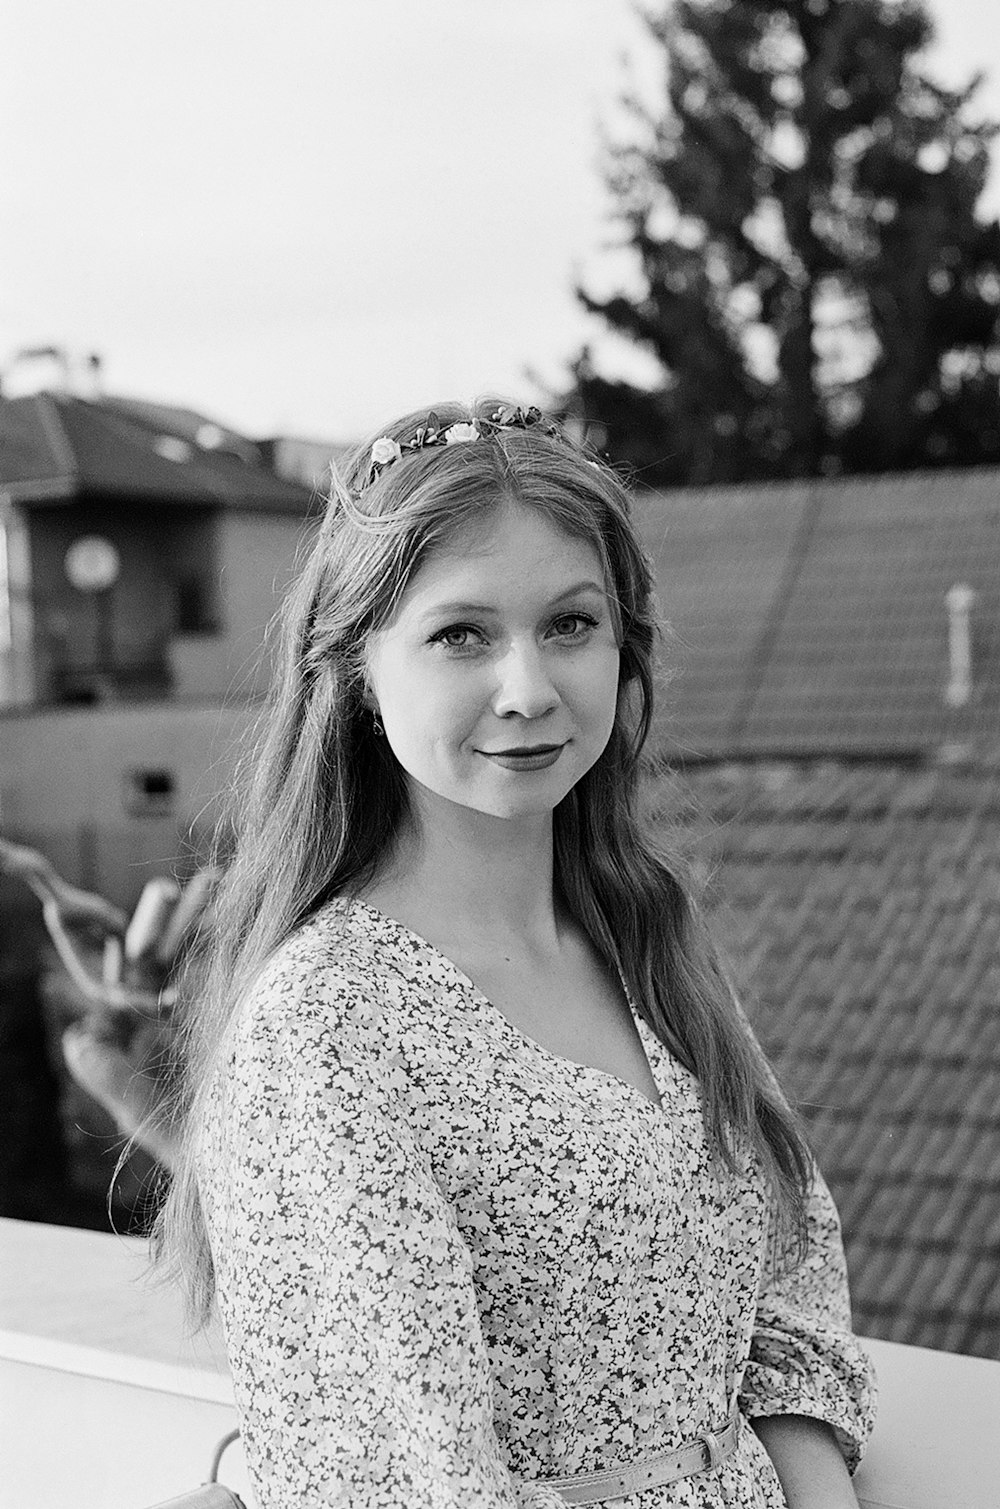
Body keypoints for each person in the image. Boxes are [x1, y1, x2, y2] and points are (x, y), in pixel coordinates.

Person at [157, 400, 876, 1508]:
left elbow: (790, 1288)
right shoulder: (330, 1022)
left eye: (570, 625)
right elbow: (406, 1479)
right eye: (462, 635)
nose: (529, 690)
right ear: (352, 669)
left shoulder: (647, 941)